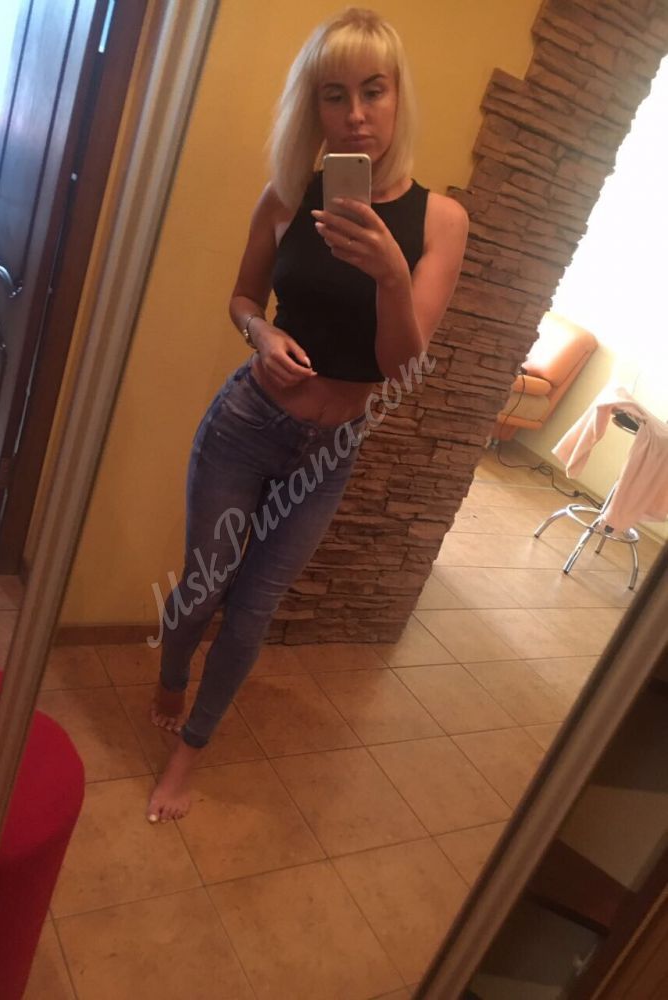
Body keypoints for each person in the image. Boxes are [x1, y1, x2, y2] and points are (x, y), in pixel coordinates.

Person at [146, 6, 468, 822]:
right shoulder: (289, 195)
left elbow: (401, 367)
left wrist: (392, 275)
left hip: (328, 453)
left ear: (398, 97)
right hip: (247, 422)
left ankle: (188, 755)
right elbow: (242, 297)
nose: (356, 114)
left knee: (252, 609)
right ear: (314, 107)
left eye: (373, 91)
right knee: (203, 588)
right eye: (334, 95)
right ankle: (170, 674)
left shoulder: (440, 222)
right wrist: (261, 333)